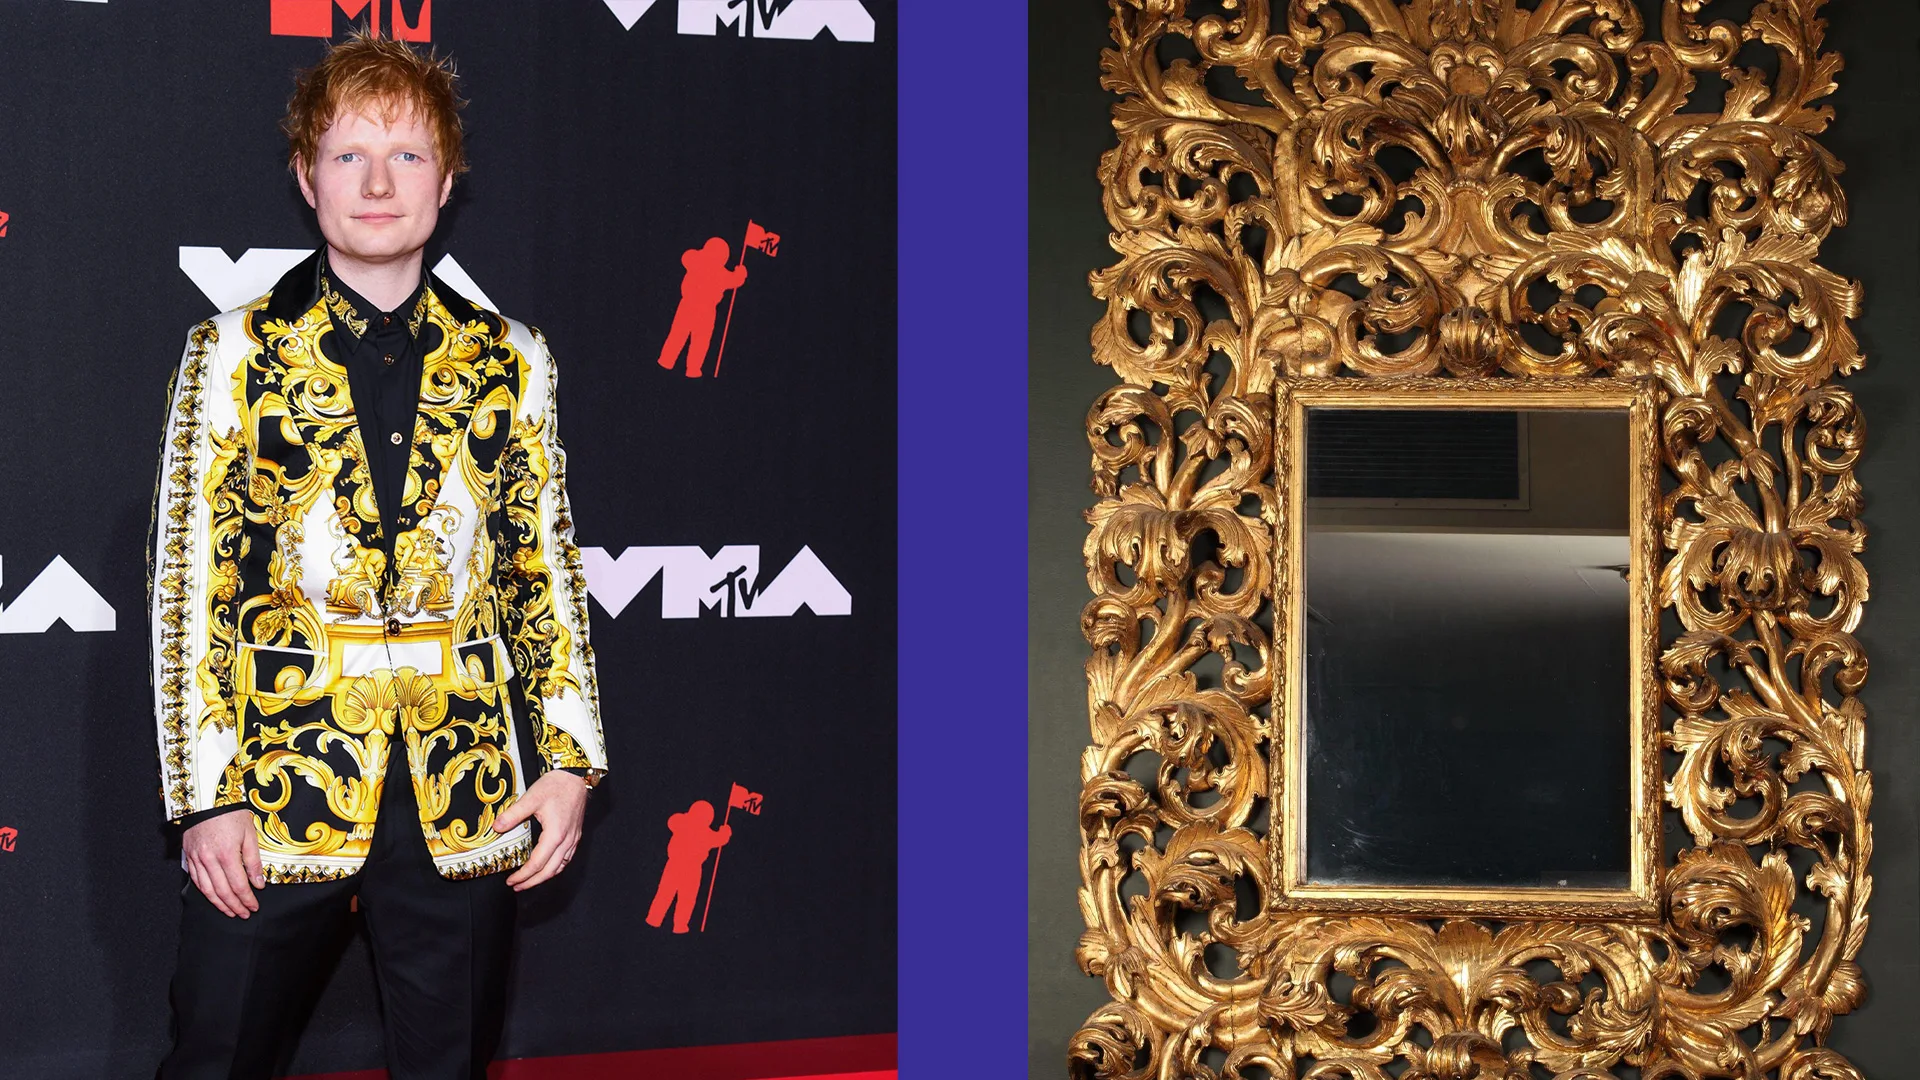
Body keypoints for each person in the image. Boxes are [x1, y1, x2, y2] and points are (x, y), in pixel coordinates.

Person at [147, 30, 609, 1080]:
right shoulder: (232, 351)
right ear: (308, 176)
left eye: (406, 156)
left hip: (465, 789)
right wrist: (207, 794)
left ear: (445, 181)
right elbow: (193, 584)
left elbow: (542, 564)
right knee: (214, 1060)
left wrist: (571, 760)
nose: (377, 182)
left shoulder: (511, 357)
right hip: (274, 794)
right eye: (349, 154)